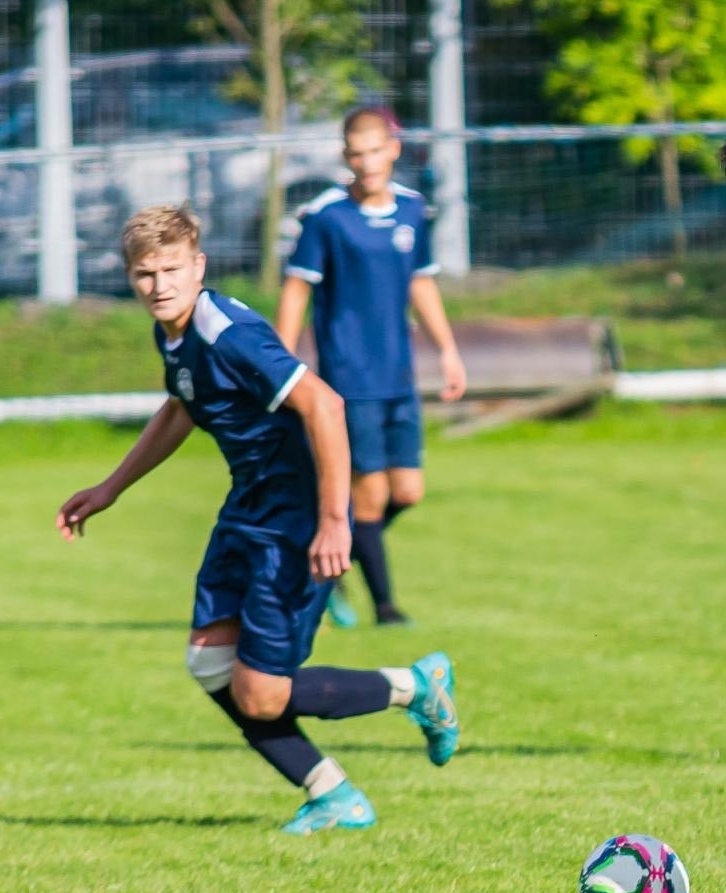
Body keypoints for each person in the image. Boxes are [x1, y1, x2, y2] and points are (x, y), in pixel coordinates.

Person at [58, 205, 462, 836]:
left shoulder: (229, 332)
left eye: (170, 269)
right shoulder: (173, 330)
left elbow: (324, 405)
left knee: (262, 694)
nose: (159, 285)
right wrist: (111, 487)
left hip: (295, 520)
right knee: (211, 665)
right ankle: (333, 794)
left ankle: (414, 689)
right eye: (144, 274)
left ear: (199, 266)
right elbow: (183, 405)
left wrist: (335, 521)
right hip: (249, 506)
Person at [276, 106, 467, 628]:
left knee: (408, 491)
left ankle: (332, 555)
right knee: (371, 494)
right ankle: (386, 607)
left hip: (398, 375)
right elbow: (297, 288)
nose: (367, 163)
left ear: (393, 150)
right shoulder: (326, 216)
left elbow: (420, 282)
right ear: (345, 157)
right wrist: (279, 361)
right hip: (349, 378)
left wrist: (447, 349)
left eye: (375, 152)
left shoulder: (411, 210)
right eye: (356, 154)